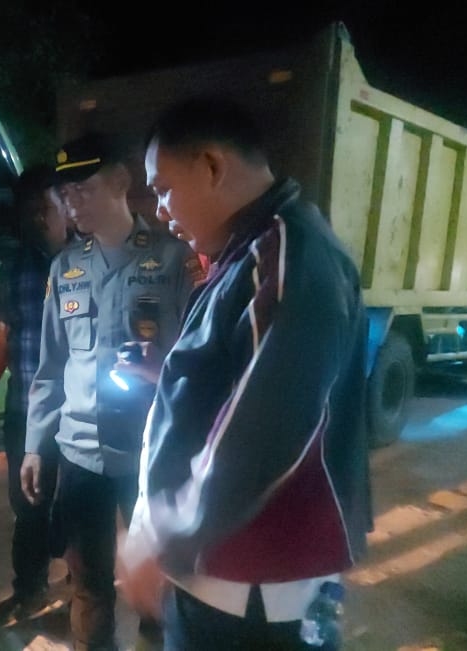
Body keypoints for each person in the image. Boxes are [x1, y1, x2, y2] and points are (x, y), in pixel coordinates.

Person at [118, 97, 372, 650]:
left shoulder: (287, 255)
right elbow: (237, 381)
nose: (159, 210)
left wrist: (168, 534)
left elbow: (264, 430)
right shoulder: (251, 251)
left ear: (212, 166)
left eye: (163, 189)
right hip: (227, 575)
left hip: (250, 586)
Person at [22, 134, 197, 651]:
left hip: (152, 452)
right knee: (89, 586)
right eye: (65, 194)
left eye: (83, 189)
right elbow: (51, 367)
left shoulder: (173, 261)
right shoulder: (65, 268)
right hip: (81, 456)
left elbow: (198, 363)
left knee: (160, 584)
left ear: (121, 182)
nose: (71, 203)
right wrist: (35, 445)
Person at [0, 165, 71, 617]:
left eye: (45, 206)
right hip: (26, 410)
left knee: (76, 505)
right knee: (27, 502)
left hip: (81, 416)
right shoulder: (14, 270)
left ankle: (82, 586)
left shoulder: (95, 261)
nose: (37, 217)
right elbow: (0, 336)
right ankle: (29, 588)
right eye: (29, 209)